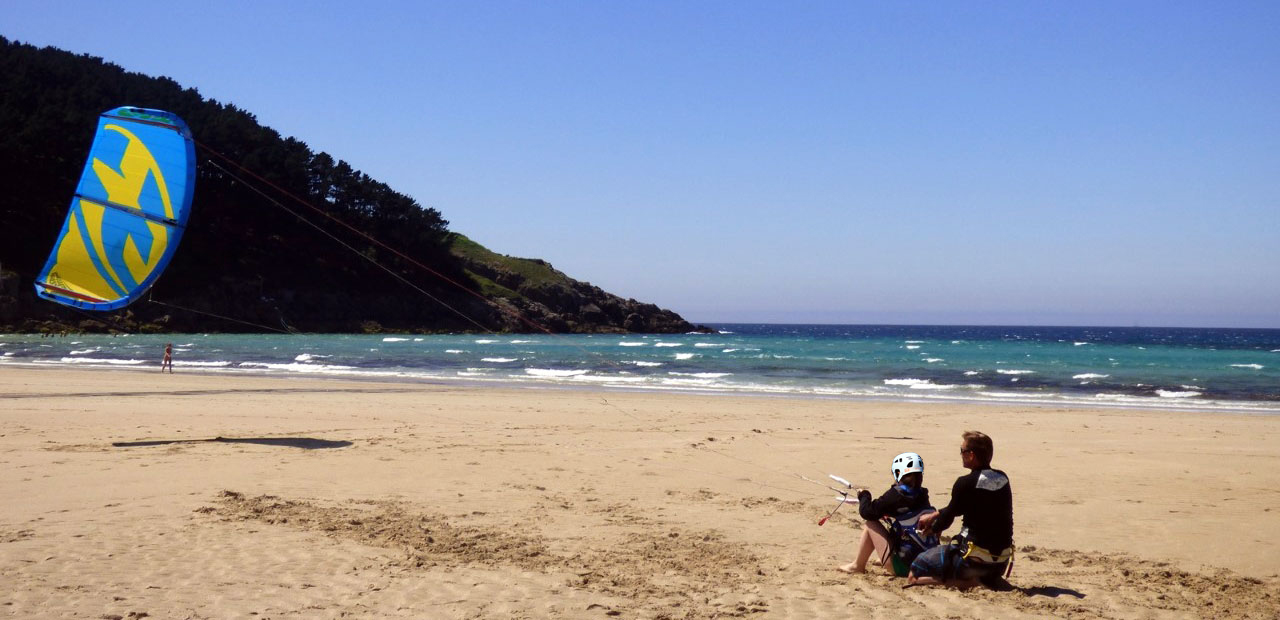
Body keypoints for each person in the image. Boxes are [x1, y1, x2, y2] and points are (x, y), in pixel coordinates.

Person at [909, 431, 1014, 589]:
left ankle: (971, 582)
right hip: (1000, 563)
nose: (961, 454)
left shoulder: (965, 483)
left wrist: (931, 530)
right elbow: (959, 507)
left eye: (962, 451)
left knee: (915, 572)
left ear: (971, 455)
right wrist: (935, 514)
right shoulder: (1002, 479)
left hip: (971, 561)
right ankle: (986, 579)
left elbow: (948, 518)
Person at [837, 452, 939, 576]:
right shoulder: (923, 495)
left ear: (898, 474)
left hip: (904, 568)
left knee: (871, 523)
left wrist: (864, 495)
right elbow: (905, 512)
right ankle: (885, 557)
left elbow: (867, 512)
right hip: (927, 563)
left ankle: (857, 565)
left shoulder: (895, 495)